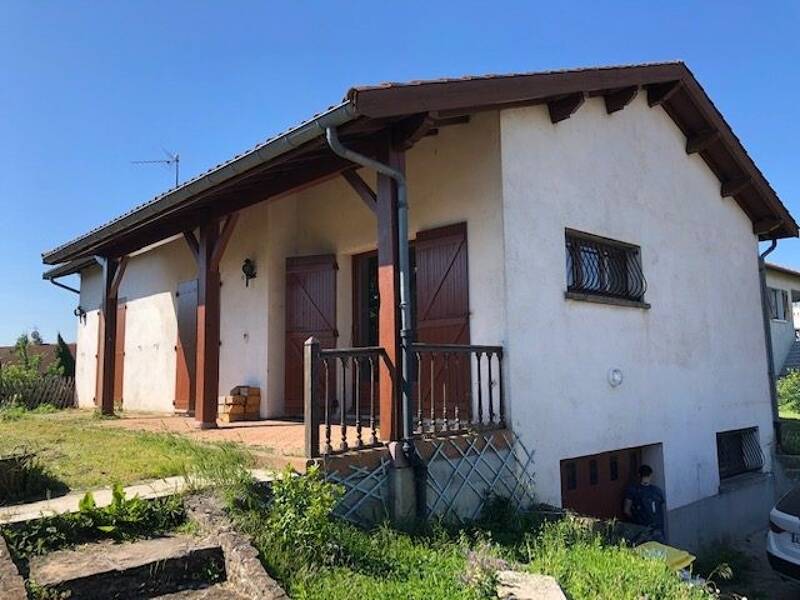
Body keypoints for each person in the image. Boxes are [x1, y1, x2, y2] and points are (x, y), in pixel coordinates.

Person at [623, 464, 666, 543]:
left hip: (641, 530)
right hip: (658, 530)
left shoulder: (633, 491)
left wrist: (635, 521)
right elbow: (661, 511)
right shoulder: (657, 491)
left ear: (639, 475)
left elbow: (626, 510)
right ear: (651, 475)